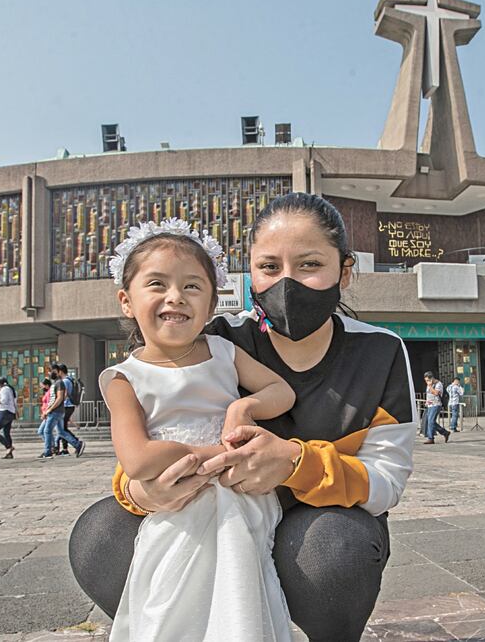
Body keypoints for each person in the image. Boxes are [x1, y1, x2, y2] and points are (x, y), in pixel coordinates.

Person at [69, 193, 416, 642]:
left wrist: (295, 463)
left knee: (334, 551)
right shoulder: (215, 339)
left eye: (310, 264)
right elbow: (151, 423)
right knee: (100, 536)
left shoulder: (381, 351)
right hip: (214, 514)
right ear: (249, 273)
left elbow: (386, 481)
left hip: (320, 521)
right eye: (269, 267)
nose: (287, 282)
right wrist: (141, 491)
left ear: (344, 271)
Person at [100, 218, 297, 641]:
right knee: (172, 596)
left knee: (241, 578)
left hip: (239, 493)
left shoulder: (223, 352)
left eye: (192, 286)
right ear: (126, 301)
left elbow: (281, 391)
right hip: (178, 500)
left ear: (210, 307)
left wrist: (244, 405)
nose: (175, 296)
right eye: (157, 284)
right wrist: (218, 455)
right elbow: (138, 460)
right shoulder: (124, 379)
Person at [40, 363, 86, 459]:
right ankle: (77, 444)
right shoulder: (57, 383)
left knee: (47, 431)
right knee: (61, 431)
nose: (50, 373)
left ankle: (49, 451)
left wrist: (49, 409)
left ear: (58, 372)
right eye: (50, 371)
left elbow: (60, 397)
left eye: (52, 371)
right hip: (58, 410)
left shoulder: (61, 382)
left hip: (57, 410)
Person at [56, 363, 81, 455]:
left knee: (62, 429)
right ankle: (65, 448)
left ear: (60, 371)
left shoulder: (65, 381)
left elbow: (65, 394)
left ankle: (76, 442)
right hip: (69, 406)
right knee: (63, 428)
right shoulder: (70, 379)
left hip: (66, 406)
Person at [0, 377, 16, 459]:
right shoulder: (10, 389)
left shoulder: (5, 389)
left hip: (4, 412)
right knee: (6, 432)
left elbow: (4, 400)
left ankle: (9, 446)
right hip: (10, 412)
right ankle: (9, 453)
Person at [422, 371, 450, 444]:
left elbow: (436, 393)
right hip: (430, 405)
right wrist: (427, 401)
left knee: (431, 421)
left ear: (432, 378)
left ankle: (430, 438)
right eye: (426, 380)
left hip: (436, 404)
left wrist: (430, 386)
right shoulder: (428, 385)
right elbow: (428, 394)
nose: (427, 382)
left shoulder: (438, 384)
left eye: (428, 380)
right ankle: (445, 432)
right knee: (430, 421)